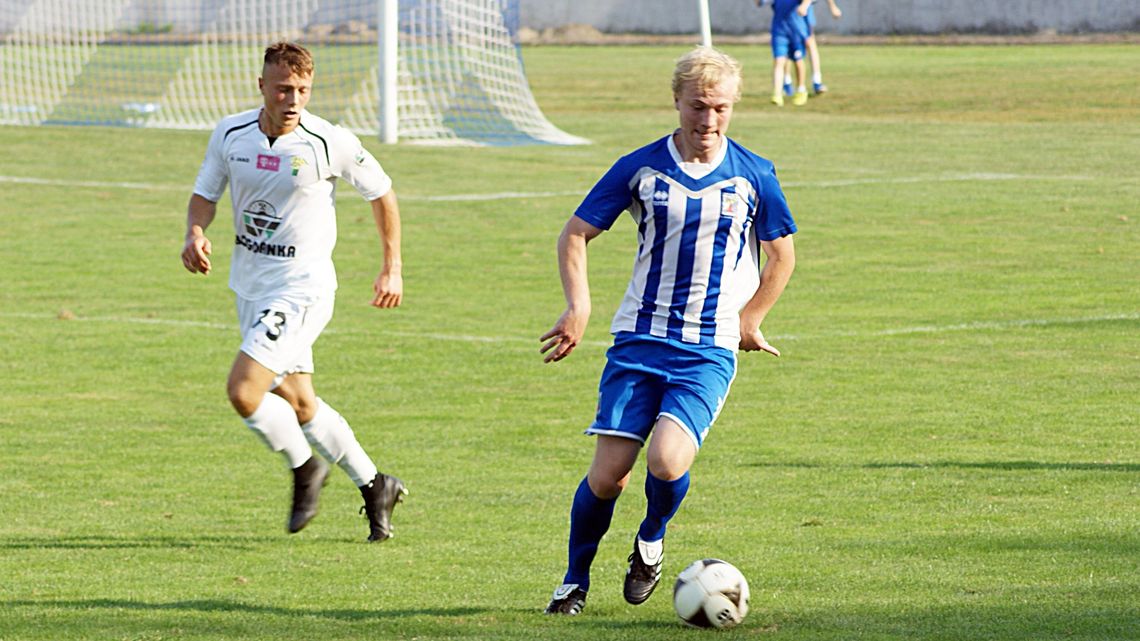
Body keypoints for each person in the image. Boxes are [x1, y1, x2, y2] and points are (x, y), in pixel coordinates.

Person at [539, 46, 797, 616]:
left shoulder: (754, 174)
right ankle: (573, 581)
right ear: (676, 101)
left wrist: (749, 320)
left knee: (666, 461)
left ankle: (651, 539)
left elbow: (782, 255)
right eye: (698, 107)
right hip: (638, 339)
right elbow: (575, 234)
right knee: (607, 478)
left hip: (707, 348)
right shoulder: (641, 167)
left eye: (721, 109)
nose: (708, 121)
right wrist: (578, 307)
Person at [181, 41, 407, 542]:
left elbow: (381, 193)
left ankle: (305, 470)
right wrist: (195, 233)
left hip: (302, 290)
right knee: (300, 402)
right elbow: (204, 195)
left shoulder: (327, 141)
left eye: (303, 89)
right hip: (249, 286)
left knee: (244, 390)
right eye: (284, 88)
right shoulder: (231, 133)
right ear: (261, 85)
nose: (293, 98)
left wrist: (391, 267)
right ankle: (376, 485)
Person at [764, 0, 812, 106]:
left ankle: (801, 89)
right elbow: (760, 2)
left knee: (798, 61)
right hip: (779, 31)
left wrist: (804, 5)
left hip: (796, 30)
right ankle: (777, 93)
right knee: (779, 60)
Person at [805, 0, 842, 94]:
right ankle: (786, 82)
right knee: (787, 48)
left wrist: (833, 7)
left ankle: (817, 81)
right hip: (786, 11)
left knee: (810, 42)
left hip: (804, 11)